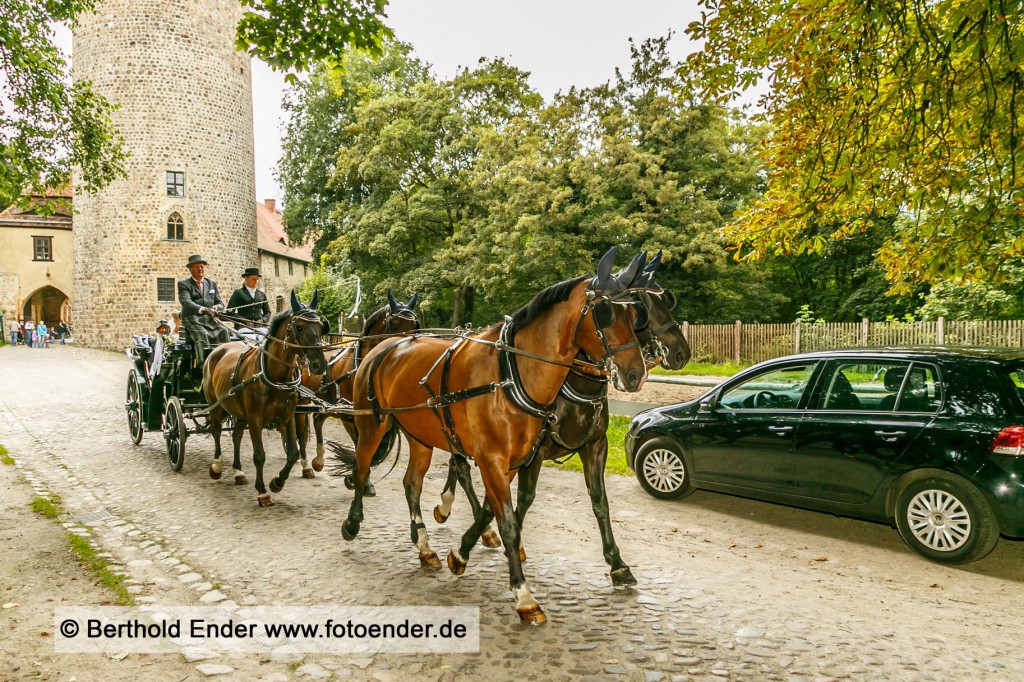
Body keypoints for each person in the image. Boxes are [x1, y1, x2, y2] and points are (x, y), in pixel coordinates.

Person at [177, 254, 231, 365]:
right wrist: (202, 309)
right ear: (191, 269)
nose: (200, 269)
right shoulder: (184, 284)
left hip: (211, 319)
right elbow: (186, 302)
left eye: (202, 267)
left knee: (224, 331)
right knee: (202, 335)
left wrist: (216, 307)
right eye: (197, 267)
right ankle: (204, 365)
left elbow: (220, 303)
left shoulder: (211, 283)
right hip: (193, 319)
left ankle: (225, 362)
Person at [227, 267, 271, 341]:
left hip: (260, 327)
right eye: (253, 279)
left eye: (257, 279)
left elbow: (268, 312)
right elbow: (229, 312)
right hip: (243, 327)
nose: (256, 281)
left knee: (268, 340)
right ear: (246, 279)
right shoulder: (238, 293)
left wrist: (262, 320)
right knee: (252, 340)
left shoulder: (262, 294)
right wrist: (244, 320)